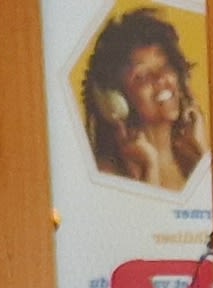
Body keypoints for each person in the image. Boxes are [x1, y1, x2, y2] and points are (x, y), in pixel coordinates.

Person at [81, 10, 204, 189]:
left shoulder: (196, 159)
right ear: (115, 99)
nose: (161, 78)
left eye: (166, 65)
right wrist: (149, 167)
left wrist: (201, 153)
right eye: (142, 76)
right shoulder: (105, 174)